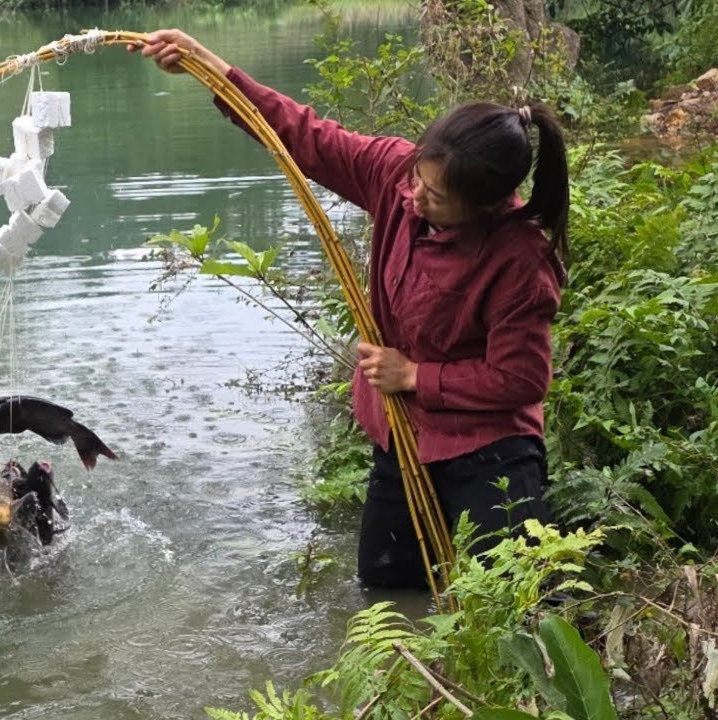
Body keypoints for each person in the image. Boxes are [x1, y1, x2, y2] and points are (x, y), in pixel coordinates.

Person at [131, 30, 568, 590]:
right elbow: (305, 137)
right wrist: (213, 69)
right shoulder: (395, 173)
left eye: (435, 198)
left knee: (514, 600)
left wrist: (415, 375)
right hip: (401, 439)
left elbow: (522, 378)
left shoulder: (519, 258)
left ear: (485, 206)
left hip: (488, 451)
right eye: (417, 179)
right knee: (385, 593)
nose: (413, 198)